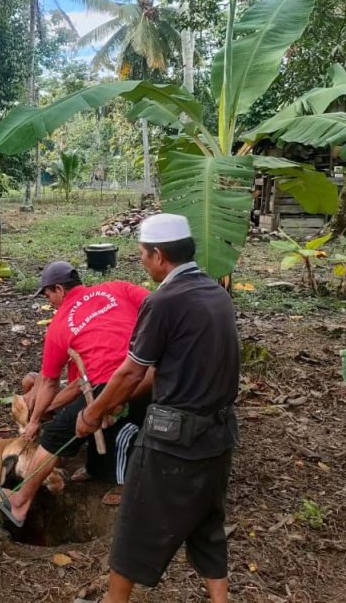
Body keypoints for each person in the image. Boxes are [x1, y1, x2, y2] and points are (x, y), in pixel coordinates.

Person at [76, 213, 240, 603]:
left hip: (175, 441)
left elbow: (132, 372)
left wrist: (93, 413)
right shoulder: (216, 294)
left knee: (136, 524)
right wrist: (114, 404)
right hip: (219, 435)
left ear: (160, 255)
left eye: (143, 255)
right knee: (207, 523)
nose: (142, 262)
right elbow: (170, 367)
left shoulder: (164, 301)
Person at [0, 261, 151, 525]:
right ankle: (97, 469)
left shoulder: (59, 324)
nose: (49, 302)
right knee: (89, 416)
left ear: (58, 289)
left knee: (58, 433)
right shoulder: (118, 288)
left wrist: (35, 421)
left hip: (109, 385)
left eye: (48, 295)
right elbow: (158, 308)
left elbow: (48, 383)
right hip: (143, 372)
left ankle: (19, 503)